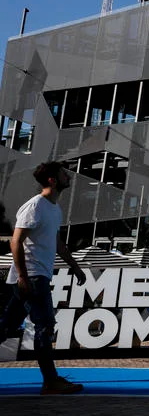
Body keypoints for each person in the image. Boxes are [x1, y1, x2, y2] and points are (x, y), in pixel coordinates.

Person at [0, 161, 88, 394]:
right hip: (32, 276)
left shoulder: (54, 208)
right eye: (63, 174)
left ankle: (51, 380)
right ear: (52, 180)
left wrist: (75, 267)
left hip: (35, 277)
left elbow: (57, 243)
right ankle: (51, 380)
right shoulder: (35, 206)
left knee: (6, 327)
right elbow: (15, 241)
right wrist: (22, 276)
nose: (68, 177)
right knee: (45, 326)